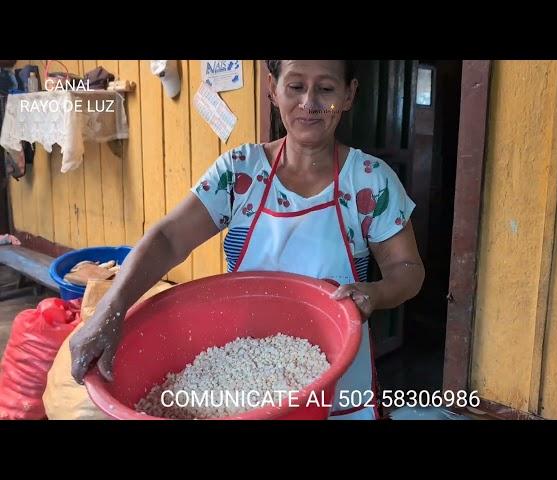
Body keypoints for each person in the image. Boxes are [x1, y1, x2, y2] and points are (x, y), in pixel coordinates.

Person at [70, 60, 425, 420]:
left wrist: (374, 293)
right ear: (273, 89)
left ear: (349, 95)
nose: (309, 102)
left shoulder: (370, 181)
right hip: (245, 371)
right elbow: (168, 239)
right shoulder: (240, 171)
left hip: (338, 377)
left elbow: (407, 270)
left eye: (327, 89)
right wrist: (109, 310)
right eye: (296, 86)